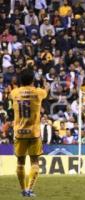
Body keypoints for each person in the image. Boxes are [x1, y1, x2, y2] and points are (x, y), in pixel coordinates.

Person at [10, 67, 48, 197]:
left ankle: (23, 190)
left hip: (19, 133)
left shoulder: (14, 93)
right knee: (35, 162)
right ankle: (29, 189)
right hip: (34, 133)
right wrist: (43, 82)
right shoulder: (38, 92)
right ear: (33, 80)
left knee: (20, 162)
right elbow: (46, 91)